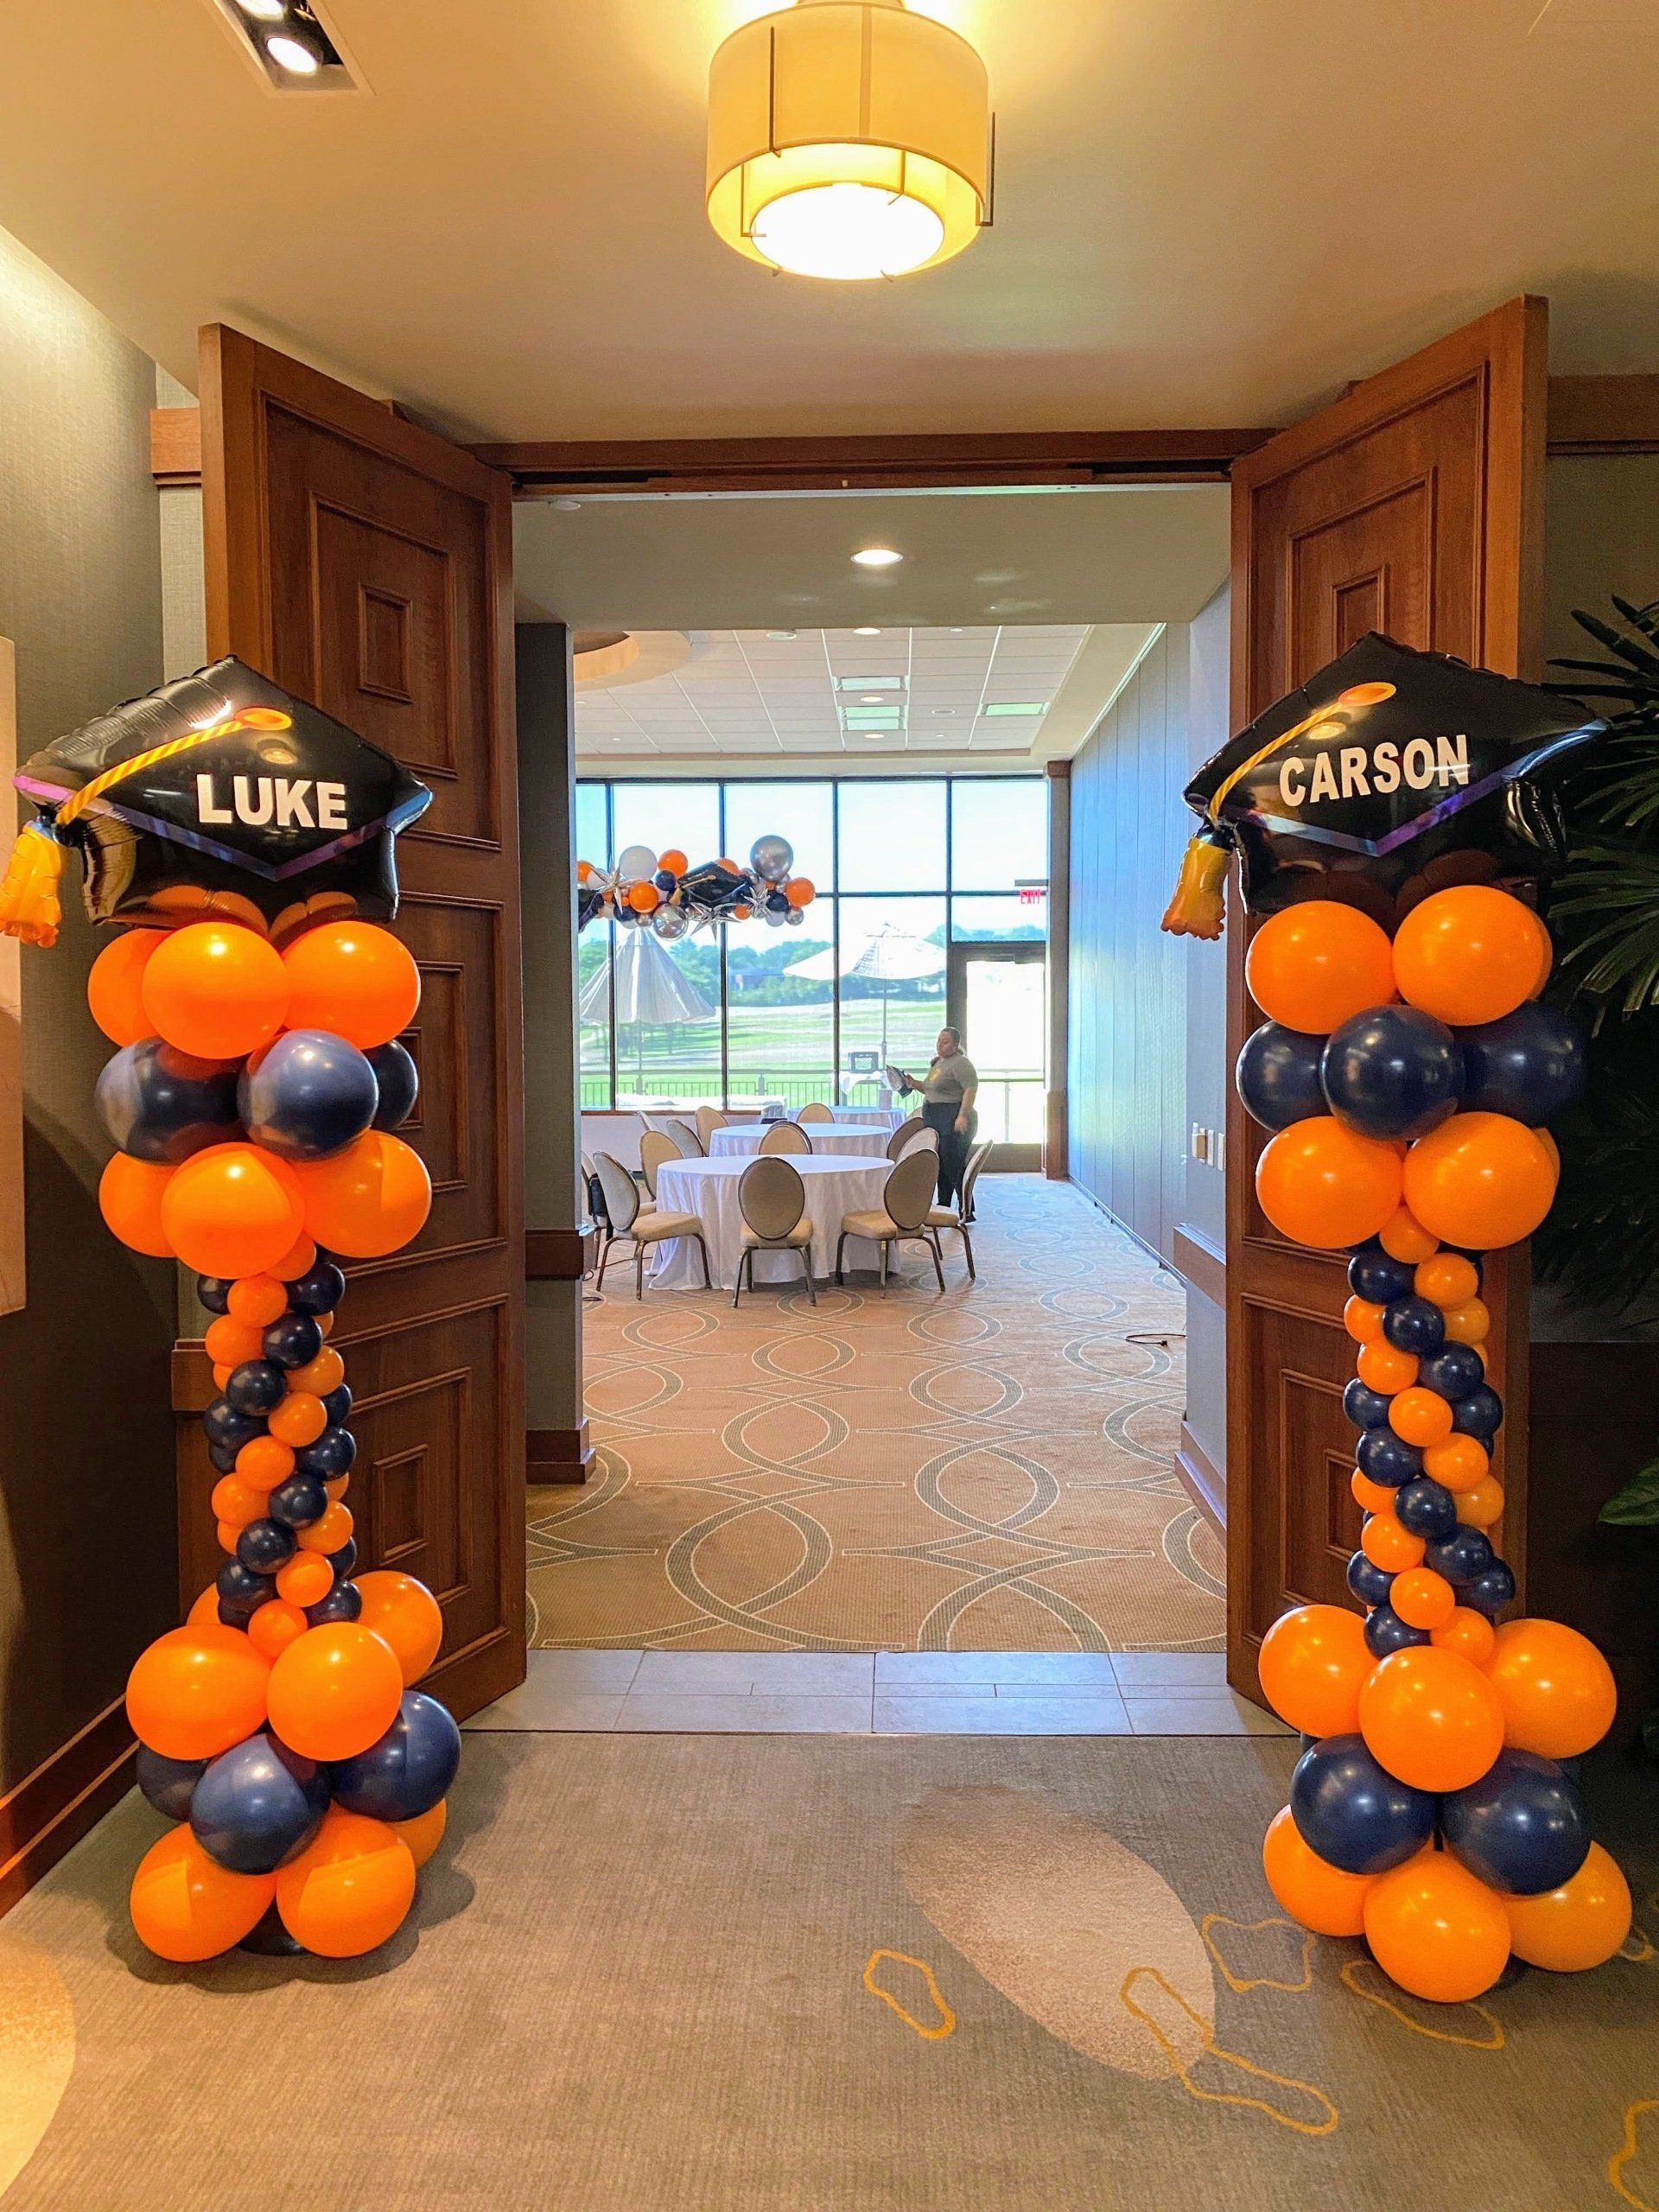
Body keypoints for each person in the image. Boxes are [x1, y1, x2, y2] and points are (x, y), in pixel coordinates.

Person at [898, 1027, 978, 1211]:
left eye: (945, 1041)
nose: (940, 1045)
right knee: (940, 1163)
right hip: (935, 1118)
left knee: (954, 1164)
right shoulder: (939, 1063)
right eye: (939, 1041)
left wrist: (962, 1115)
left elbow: (970, 1089)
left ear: (956, 1045)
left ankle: (966, 1207)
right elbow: (931, 1090)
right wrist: (912, 1083)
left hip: (952, 1116)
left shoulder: (961, 1063)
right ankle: (944, 1205)